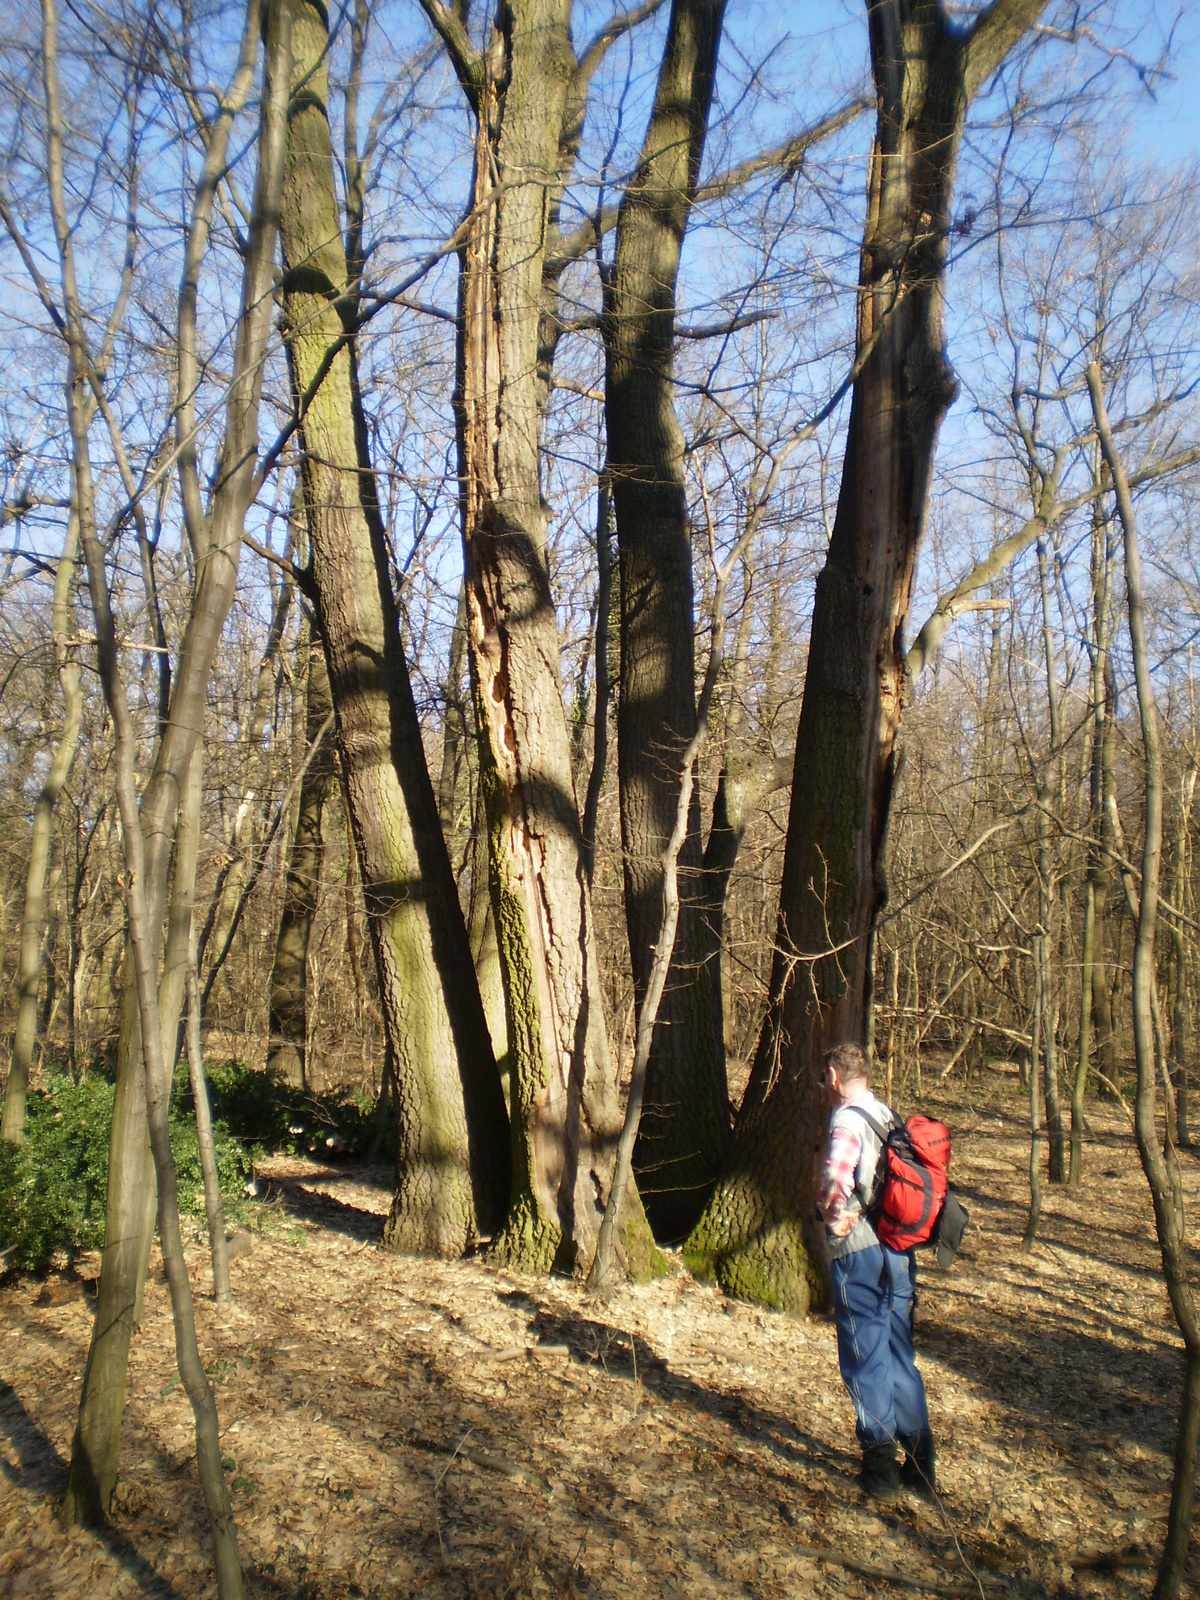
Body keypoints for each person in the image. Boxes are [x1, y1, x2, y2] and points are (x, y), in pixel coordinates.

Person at [816, 1041, 936, 1501]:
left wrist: (832, 1214)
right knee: (898, 1353)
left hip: (860, 1250)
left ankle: (880, 1469)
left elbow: (834, 1181)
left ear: (833, 1076)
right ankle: (921, 1466)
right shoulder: (886, 1114)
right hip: (899, 1252)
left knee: (866, 1355)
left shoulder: (847, 1120)